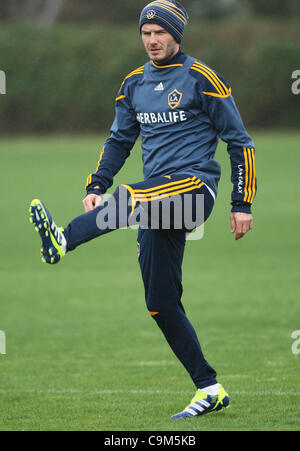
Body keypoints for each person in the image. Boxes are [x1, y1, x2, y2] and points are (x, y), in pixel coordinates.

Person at [29, 0, 256, 419]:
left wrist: (241, 204)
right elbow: (119, 140)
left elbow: (240, 142)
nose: (151, 40)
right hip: (156, 201)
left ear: (176, 35)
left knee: (132, 198)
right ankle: (210, 389)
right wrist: (97, 185)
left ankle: (64, 240)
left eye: (160, 33)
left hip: (193, 190)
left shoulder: (202, 78)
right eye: (145, 33)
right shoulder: (133, 83)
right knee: (161, 303)